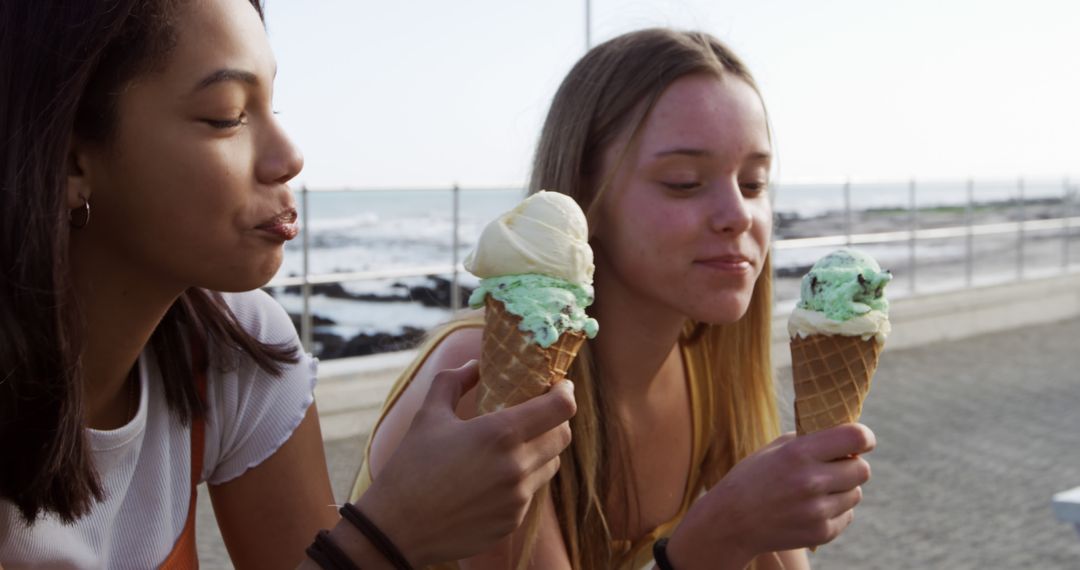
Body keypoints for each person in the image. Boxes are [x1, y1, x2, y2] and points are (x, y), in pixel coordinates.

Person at [0, 1, 576, 568]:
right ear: (73, 162)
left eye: (271, 105)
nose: (290, 156)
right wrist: (389, 536)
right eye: (227, 115)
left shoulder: (235, 346)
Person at [352, 28, 876, 569]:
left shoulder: (708, 358)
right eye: (684, 181)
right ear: (584, 202)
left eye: (753, 183)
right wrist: (717, 538)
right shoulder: (475, 378)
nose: (739, 214)